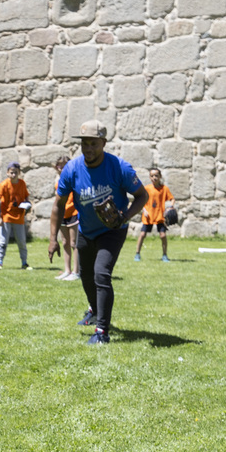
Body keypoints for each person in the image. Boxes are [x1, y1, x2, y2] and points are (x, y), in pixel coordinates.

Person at [47, 121, 149, 345]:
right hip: (86, 230)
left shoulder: (120, 167)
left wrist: (125, 216)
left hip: (113, 230)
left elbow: (142, 196)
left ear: (103, 143)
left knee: (101, 273)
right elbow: (58, 205)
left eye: (94, 143)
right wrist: (53, 238)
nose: (88, 148)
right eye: (85, 144)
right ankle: (94, 309)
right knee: (85, 275)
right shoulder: (72, 170)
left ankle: (102, 331)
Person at [0, 161, 30, 270]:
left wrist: (27, 205)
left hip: (19, 217)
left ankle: (24, 262)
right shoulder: (4, 185)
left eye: (16, 173)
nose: (13, 175)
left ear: (19, 173)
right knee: (3, 241)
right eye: (11, 172)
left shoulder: (22, 184)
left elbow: (26, 197)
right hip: (6, 217)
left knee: (21, 241)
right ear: (7, 173)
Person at [134, 167, 174, 262]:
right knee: (143, 234)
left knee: (163, 235)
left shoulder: (164, 189)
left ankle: (164, 255)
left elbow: (172, 199)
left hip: (160, 216)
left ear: (160, 176)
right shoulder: (147, 188)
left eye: (156, 175)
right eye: (152, 176)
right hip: (149, 216)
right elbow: (140, 200)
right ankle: (137, 254)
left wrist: (170, 207)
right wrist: (144, 210)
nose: (154, 178)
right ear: (150, 177)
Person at [52, 155, 80, 281]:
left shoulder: (73, 178)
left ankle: (76, 271)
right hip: (63, 215)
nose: (61, 168)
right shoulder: (56, 180)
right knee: (65, 243)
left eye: (64, 165)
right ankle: (67, 270)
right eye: (59, 165)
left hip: (73, 213)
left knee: (74, 243)